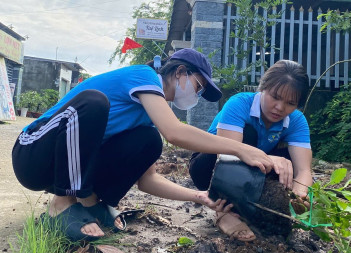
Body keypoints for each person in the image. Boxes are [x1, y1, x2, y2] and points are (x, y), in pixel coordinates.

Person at [11, 48, 273, 242]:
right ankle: (62, 203)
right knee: (93, 102)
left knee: (148, 141)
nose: (197, 95)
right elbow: (174, 132)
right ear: (180, 72)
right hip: (32, 154)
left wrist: (198, 197)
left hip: (61, 167)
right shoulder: (144, 75)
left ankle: (91, 202)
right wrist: (239, 148)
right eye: (198, 86)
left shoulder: (146, 116)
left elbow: (147, 180)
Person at [189, 60, 313, 242]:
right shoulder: (239, 104)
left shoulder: (296, 120)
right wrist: (269, 159)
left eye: (290, 103)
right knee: (248, 135)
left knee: (289, 161)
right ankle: (224, 213)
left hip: (251, 171)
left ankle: (251, 209)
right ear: (263, 88)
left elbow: (303, 170)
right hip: (210, 167)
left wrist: (299, 195)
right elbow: (228, 156)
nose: (280, 107)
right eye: (275, 97)